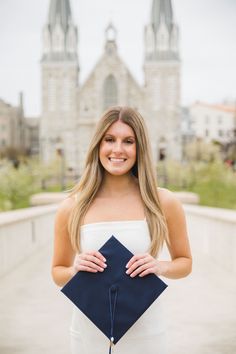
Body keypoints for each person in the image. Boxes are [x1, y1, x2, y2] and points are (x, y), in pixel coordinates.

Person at [52, 106, 192, 354]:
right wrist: (76, 269)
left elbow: (185, 262)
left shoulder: (163, 202)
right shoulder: (72, 206)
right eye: (109, 140)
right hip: (88, 334)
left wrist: (161, 266)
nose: (118, 149)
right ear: (97, 145)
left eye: (128, 141)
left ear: (140, 149)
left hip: (147, 334)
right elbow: (57, 272)